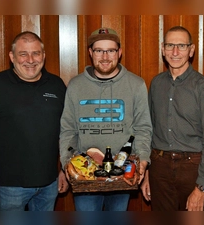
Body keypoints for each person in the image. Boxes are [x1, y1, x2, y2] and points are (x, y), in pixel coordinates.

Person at [0, 31, 68, 211]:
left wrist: (63, 170)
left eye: (36, 53)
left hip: (49, 184)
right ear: (12, 57)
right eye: (23, 54)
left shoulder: (56, 85)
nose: (30, 59)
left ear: (43, 56)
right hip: (10, 187)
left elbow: (64, 133)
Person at [59, 27, 152, 211]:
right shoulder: (76, 86)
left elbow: (143, 128)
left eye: (110, 50)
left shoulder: (136, 85)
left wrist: (142, 160)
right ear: (90, 52)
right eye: (99, 50)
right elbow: (68, 129)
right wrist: (67, 163)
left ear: (119, 52)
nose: (105, 56)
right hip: (85, 175)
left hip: (121, 172)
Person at [140, 26, 204, 211]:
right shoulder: (156, 83)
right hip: (159, 168)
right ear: (162, 48)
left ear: (191, 50)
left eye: (181, 46)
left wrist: (201, 187)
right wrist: (148, 174)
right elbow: (149, 130)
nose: (175, 52)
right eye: (170, 45)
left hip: (192, 168)